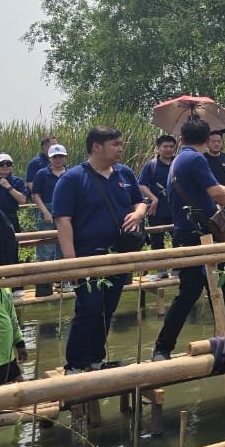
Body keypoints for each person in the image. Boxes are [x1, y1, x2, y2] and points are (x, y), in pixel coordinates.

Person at [52, 126, 147, 373]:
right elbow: (63, 220)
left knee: (107, 308)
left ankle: (95, 358)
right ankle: (75, 363)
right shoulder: (73, 178)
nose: (120, 149)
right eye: (115, 144)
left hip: (118, 256)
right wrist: (70, 262)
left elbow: (140, 201)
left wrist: (138, 213)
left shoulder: (124, 174)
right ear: (96, 147)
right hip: (87, 257)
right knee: (89, 308)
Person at [152, 118, 225, 360]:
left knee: (216, 286)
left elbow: (211, 186)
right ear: (206, 140)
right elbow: (215, 192)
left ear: (181, 139)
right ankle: (162, 347)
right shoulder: (195, 159)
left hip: (190, 231)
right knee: (191, 290)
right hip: (198, 233)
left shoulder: (180, 160)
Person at [30, 144, 69, 296]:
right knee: (45, 248)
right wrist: (45, 211)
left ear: (65, 157)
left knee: (64, 247)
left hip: (66, 213)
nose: (58, 160)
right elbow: (35, 195)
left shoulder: (70, 173)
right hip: (47, 210)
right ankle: (44, 286)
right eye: (55, 157)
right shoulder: (41, 173)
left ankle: (64, 282)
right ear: (50, 158)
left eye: (61, 156)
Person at [138, 134, 177, 280]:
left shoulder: (178, 163)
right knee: (157, 240)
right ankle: (161, 269)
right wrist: (153, 198)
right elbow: (141, 184)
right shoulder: (151, 165)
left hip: (176, 209)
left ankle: (178, 267)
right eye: (165, 147)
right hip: (157, 210)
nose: (168, 150)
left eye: (171, 147)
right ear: (158, 148)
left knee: (178, 238)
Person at [0, 153, 28, 232]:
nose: (5, 166)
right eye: (1, 164)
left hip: (11, 217)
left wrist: (9, 187)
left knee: (13, 243)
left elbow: (23, 200)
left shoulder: (18, 181)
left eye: (8, 164)